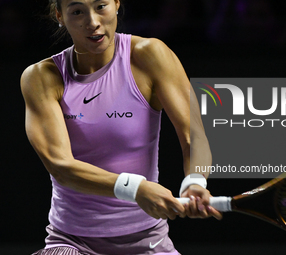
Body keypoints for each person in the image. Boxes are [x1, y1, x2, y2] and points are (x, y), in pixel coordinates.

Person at [20, 0, 222, 254]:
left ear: (117, 4)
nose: (92, 21)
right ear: (60, 16)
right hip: (73, 242)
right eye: (77, 11)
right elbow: (61, 167)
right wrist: (135, 188)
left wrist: (195, 182)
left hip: (150, 241)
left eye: (101, 6)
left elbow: (194, 137)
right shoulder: (41, 77)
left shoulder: (150, 55)